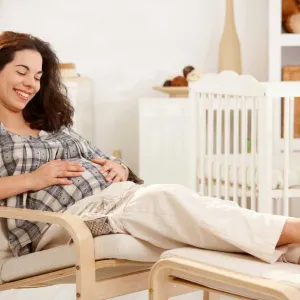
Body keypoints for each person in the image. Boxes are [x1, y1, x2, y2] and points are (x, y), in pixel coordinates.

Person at [0, 31, 300, 265]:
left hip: (114, 198)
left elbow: (102, 157)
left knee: (182, 201)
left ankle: (288, 250)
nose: (31, 83)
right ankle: (292, 229)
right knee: (164, 201)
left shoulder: (53, 127)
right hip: (61, 224)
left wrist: (119, 167)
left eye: (38, 76)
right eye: (22, 71)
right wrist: (34, 179)